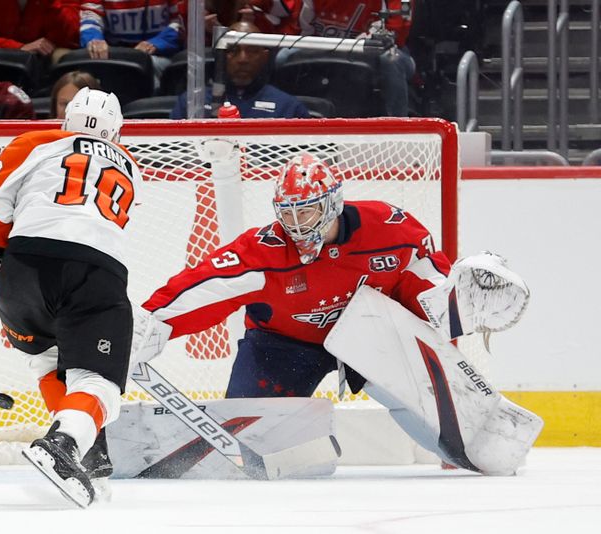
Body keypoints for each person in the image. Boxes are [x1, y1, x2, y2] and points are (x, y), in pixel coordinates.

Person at [130, 152, 534, 474]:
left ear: (333, 204)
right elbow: (206, 286)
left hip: (373, 335)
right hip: (282, 345)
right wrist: (153, 320)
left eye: (304, 212)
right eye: (286, 213)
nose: (294, 224)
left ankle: (468, 438)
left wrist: (458, 298)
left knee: (430, 401)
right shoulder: (263, 250)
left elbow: (430, 289)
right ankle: (306, 439)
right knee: (250, 447)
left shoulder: (391, 230)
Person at [0, 88, 141, 507]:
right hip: (94, 272)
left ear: (66, 120)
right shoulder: (132, 167)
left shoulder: (33, 143)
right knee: (98, 380)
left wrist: (3, 247)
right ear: (116, 133)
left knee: (48, 359)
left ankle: (90, 450)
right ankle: (65, 444)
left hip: (22, 273)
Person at [257, 0, 416, 117]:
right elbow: (302, 30)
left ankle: (399, 124)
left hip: (375, 50)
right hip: (323, 45)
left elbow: (395, 37)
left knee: (391, 61)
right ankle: (279, 114)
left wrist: (362, 43)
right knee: (282, 57)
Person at [170, 20, 309, 119]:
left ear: (265, 56)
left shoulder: (289, 107)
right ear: (221, 55)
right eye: (233, 50)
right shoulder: (192, 103)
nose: (243, 59)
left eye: (252, 50)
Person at [80, 0, 185, 86]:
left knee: (152, 66)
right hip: (114, 56)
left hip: (158, 56)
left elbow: (180, 20)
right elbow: (90, 16)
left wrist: (159, 42)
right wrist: (94, 40)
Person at [0, 0, 79, 56]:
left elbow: (71, 35)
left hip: (44, 58)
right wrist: (17, 48)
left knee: (66, 58)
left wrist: (51, 3)